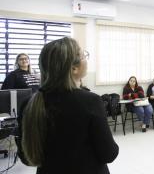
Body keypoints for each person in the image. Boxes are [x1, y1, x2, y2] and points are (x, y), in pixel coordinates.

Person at [18, 37, 118, 174]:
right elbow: (109, 153)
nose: (86, 60)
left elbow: (25, 156)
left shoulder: (28, 104)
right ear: (74, 68)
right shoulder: (90, 101)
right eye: (84, 56)